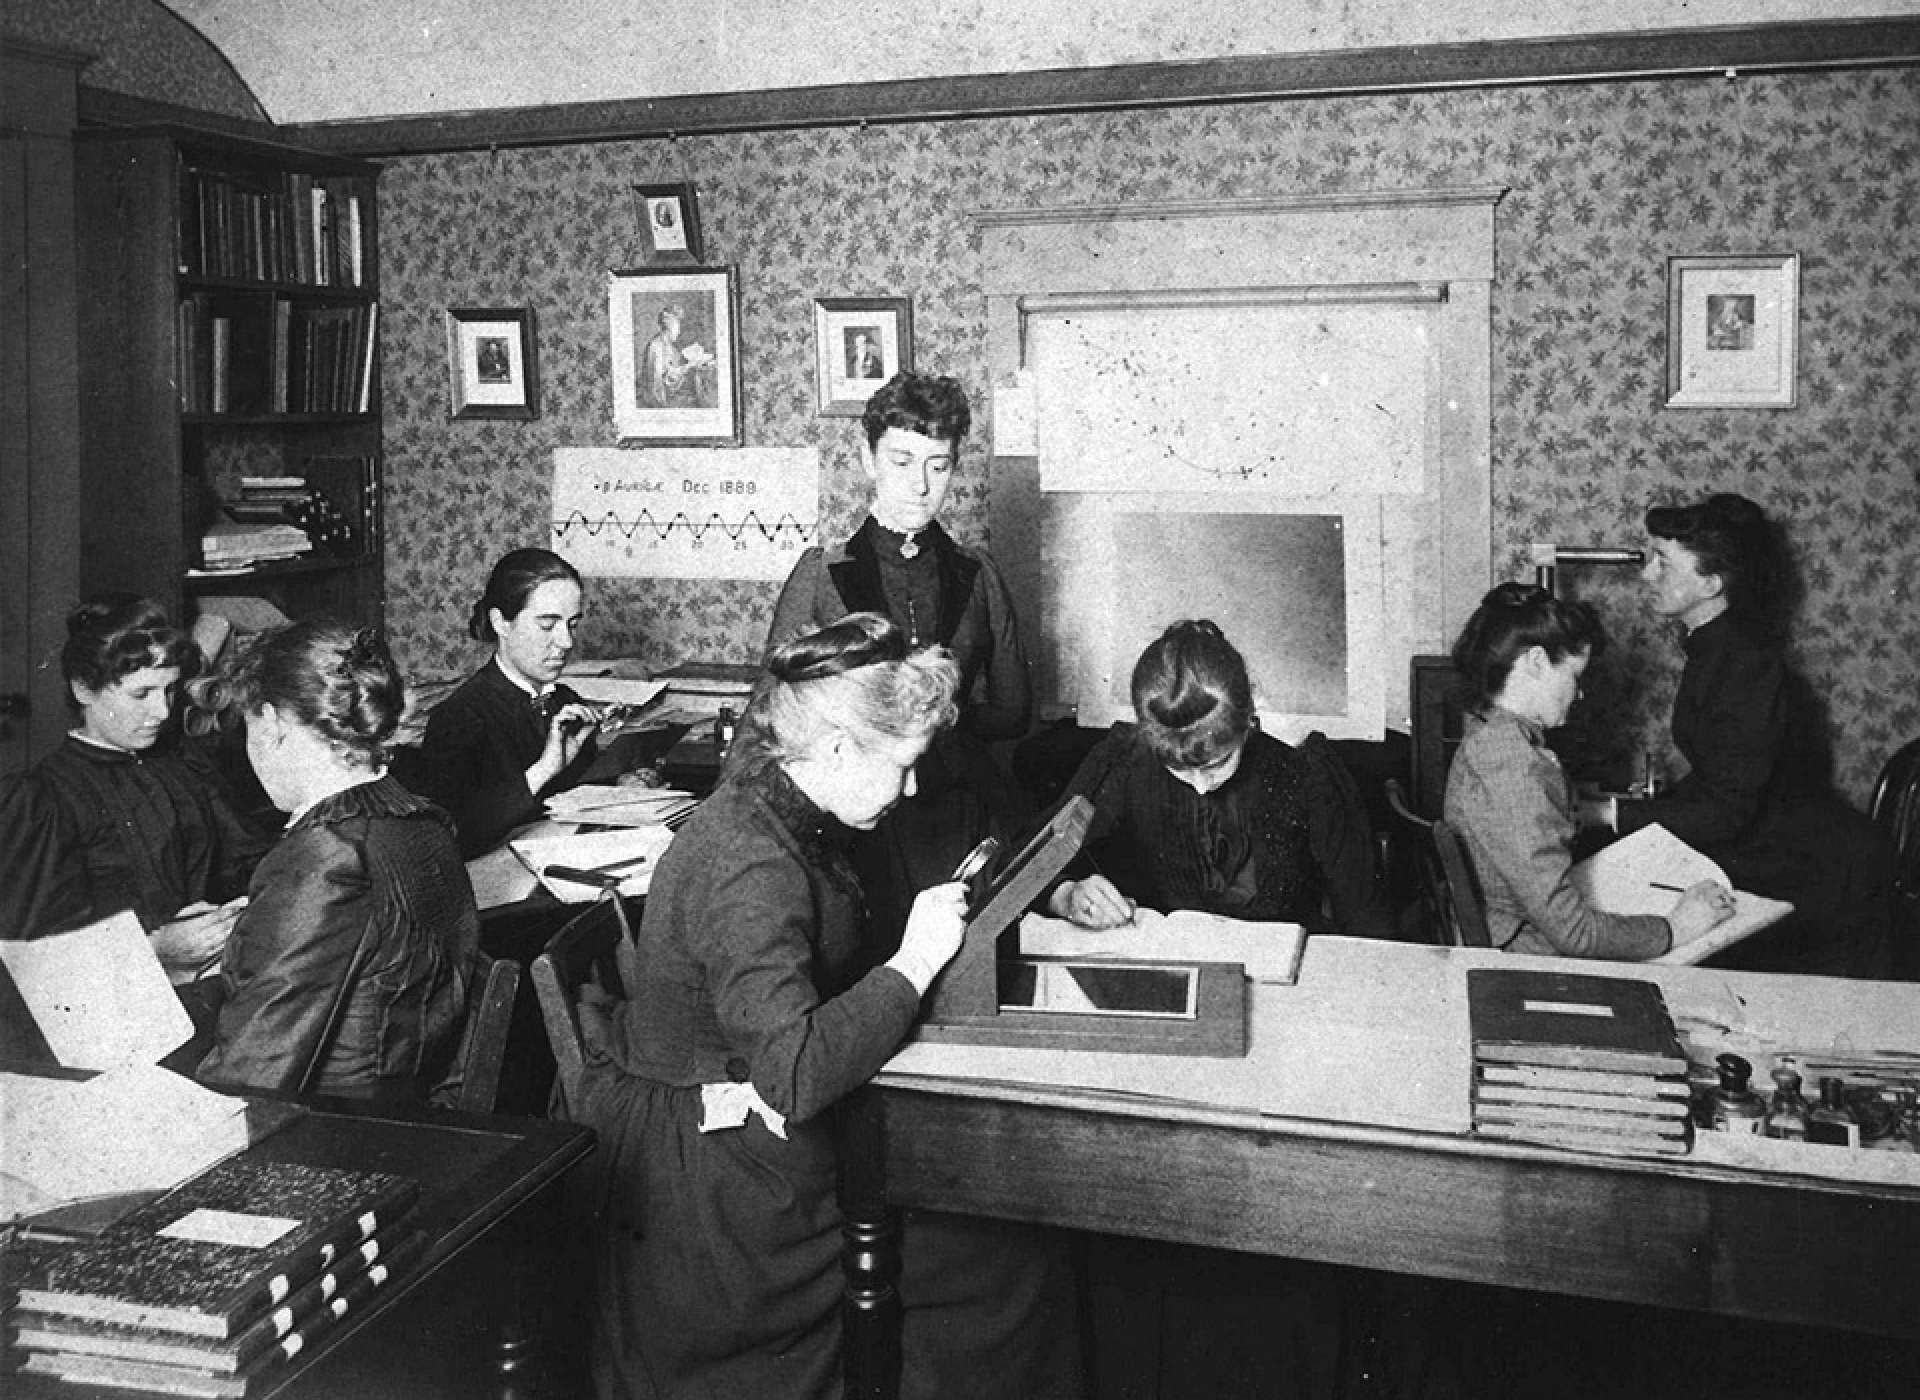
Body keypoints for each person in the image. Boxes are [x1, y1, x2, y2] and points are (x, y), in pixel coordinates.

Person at [569, 613, 1079, 1399]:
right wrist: (913, 963)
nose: (912, 789)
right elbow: (795, 1076)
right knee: (1005, 1258)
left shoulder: (783, 814)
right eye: (904, 765)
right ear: (840, 749)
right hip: (710, 1187)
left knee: (1005, 1241)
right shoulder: (751, 862)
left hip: (734, 1136)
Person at [767, 371, 1032, 950]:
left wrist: (945, 722)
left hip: (959, 823)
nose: (920, 486)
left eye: (938, 466)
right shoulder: (821, 575)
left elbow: (1013, 714)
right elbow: (770, 721)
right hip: (852, 831)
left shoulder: (979, 573)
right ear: (867, 459)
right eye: (902, 461)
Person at [1608, 493, 1896, 977]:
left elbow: (1726, 810)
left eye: (1664, 562)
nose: (1647, 575)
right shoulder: (1712, 646)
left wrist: (1611, 813)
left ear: (1711, 583)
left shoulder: (1745, 666)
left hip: (1818, 872)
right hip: (1773, 845)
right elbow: (1720, 777)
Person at [196, 618, 479, 1102]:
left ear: (271, 723)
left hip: (334, 1130)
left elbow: (250, 1072)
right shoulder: (420, 819)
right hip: (408, 1102)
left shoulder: (326, 855)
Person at [0, 595, 268, 1018]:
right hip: (114, 1020)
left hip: (216, 989)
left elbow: (247, 860)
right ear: (83, 689)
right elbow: (32, 967)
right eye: (141, 693)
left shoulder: (183, 763)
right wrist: (156, 950)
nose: (161, 712)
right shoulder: (44, 800)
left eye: (169, 690)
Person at [1044, 619, 1395, 939]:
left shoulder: (1307, 774)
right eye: (1178, 769)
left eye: (1216, 764)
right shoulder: (1122, 762)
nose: (1200, 785)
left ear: (1247, 719)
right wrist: (1067, 896)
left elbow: (1367, 922)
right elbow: (1019, 873)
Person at [1443, 583, 1732, 960]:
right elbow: (1575, 933)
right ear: (1534, 662)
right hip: (1526, 955)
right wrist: (1675, 928)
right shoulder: (1514, 766)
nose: (1579, 695)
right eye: (1575, 677)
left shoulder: (1487, 732)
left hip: (1512, 931)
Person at [410, 548, 604, 857]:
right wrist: (542, 771)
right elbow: (449, 836)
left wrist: (625, 784)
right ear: (501, 623)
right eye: (547, 624)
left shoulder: (565, 701)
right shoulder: (459, 718)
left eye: (572, 624)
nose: (566, 642)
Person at [640, 303, 713, 409]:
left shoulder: (671, 348)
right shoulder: (656, 347)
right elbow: (658, 384)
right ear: (669, 326)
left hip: (673, 396)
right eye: (677, 326)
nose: (679, 332)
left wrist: (694, 365)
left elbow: (675, 373)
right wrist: (689, 366)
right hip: (661, 401)